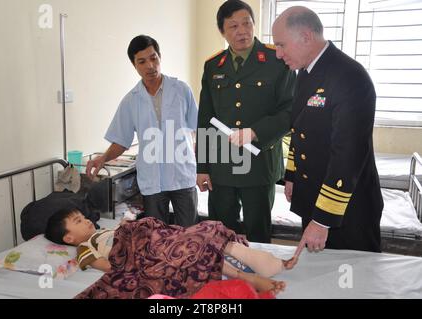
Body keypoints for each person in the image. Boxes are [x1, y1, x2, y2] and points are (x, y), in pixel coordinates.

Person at [272, 6, 383, 256]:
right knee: (321, 279)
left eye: (281, 45)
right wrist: (292, 174)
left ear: (306, 37)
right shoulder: (306, 71)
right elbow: (300, 128)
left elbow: (348, 155)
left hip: (345, 209)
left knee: (352, 283)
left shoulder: (350, 77)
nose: (278, 54)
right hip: (313, 196)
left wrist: (322, 220)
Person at [196, 0, 296, 243]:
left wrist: (255, 132)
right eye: (233, 26)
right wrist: (202, 167)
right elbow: (205, 119)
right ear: (222, 32)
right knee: (220, 235)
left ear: (254, 24)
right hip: (222, 166)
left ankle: (259, 279)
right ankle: (224, 280)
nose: (241, 31)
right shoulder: (213, 66)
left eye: (246, 23)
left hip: (258, 163)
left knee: (259, 234)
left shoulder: (278, 60)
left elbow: (290, 112)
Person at [45, 207, 298, 298]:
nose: (86, 221)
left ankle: (243, 270)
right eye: (78, 221)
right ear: (68, 238)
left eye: (82, 217)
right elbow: (110, 267)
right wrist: (133, 255)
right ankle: (243, 272)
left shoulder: (104, 230)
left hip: (149, 239)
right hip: (139, 252)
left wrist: (129, 228)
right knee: (184, 250)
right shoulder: (84, 249)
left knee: (184, 240)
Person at [86, 35, 198, 227]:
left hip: (182, 176)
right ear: (134, 65)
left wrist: (203, 167)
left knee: (191, 234)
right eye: (142, 61)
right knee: (155, 237)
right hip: (152, 182)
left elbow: (198, 129)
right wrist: (103, 158)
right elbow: (121, 140)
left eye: (153, 58)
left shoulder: (181, 90)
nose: (150, 66)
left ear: (160, 57)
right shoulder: (131, 100)